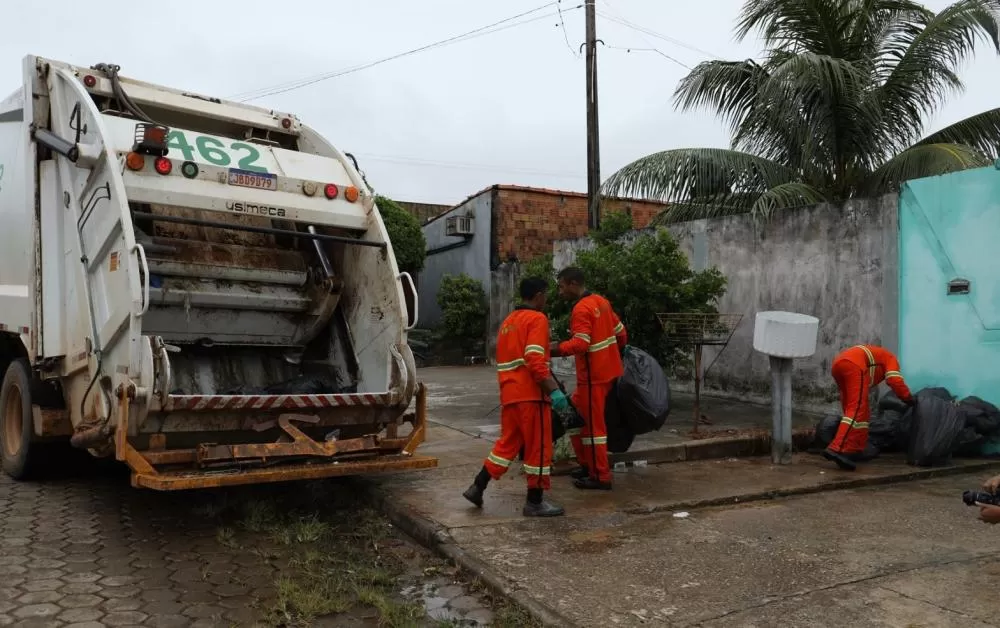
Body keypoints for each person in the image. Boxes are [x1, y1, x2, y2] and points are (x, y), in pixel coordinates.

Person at [462, 277, 568, 517]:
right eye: (546, 295)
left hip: (510, 395)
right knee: (539, 448)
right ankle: (535, 501)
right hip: (531, 396)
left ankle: (478, 486)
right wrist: (553, 390)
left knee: (507, 444)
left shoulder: (509, 322)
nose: (547, 299)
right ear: (539, 296)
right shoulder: (537, 319)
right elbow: (534, 360)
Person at [550, 267, 627, 490]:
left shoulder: (581, 309)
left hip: (593, 377)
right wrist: (610, 357)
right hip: (606, 374)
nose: (560, 292)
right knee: (575, 417)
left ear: (573, 284)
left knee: (594, 428)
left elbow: (580, 344)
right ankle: (587, 465)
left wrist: (553, 349)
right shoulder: (602, 302)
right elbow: (621, 334)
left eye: (562, 286)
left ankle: (600, 476)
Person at [825, 344, 915, 471]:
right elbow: (894, 380)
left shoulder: (878, 356)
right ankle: (836, 448)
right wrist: (908, 398)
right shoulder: (891, 359)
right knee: (857, 409)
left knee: (859, 412)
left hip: (838, 365)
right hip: (854, 365)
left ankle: (853, 449)